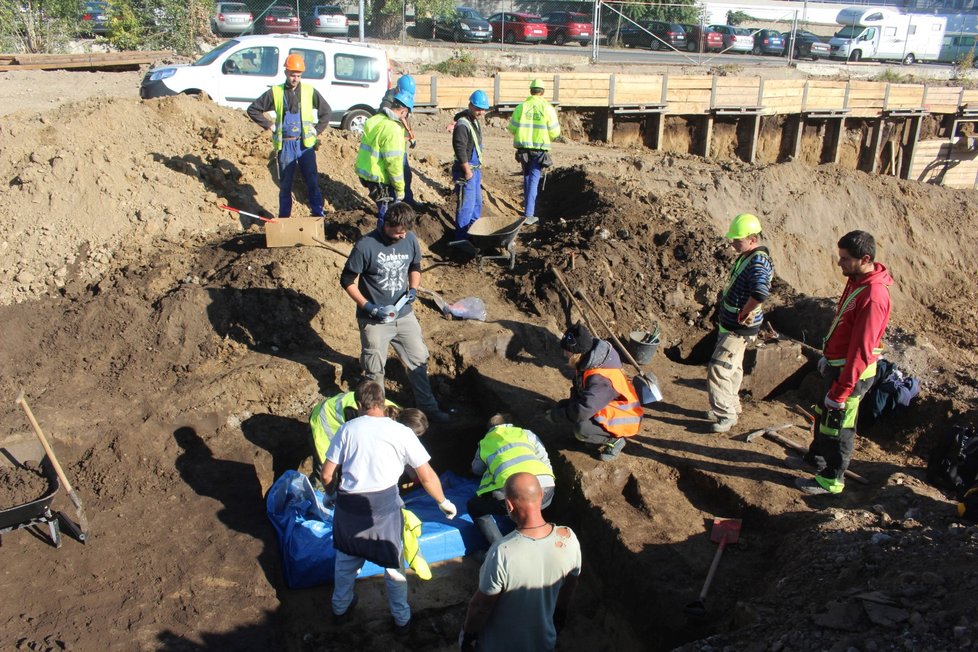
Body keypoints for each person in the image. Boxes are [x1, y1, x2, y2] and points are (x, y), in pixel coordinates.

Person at [321, 381, 457, 636]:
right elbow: (426, 475)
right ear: (383, 402)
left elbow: (327, 474)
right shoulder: (401, 433)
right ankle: (402, 620)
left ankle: (339, 611)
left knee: (346, 563)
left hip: (349, 509)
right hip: (384, 509)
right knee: (394, 568)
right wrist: (443, 502)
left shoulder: (348, 429)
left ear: (359, 404)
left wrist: (330, 496)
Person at [798, 230, 892, 496]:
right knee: (824, 416)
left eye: (845, 259)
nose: (839, 263)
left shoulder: (873, 296)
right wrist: (828, 359)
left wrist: (842, 389)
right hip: (838, 365)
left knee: (840, 426)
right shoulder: (857, 280)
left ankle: (832, 479)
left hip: (853, 373)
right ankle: (815, 461)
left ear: (865, 258)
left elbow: (862, 350)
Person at [339, 202, 452, 423]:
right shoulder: (366, 246)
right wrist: (368, 306)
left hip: (404, 314)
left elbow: (415, 266)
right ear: (387, 224)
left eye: (405, 232)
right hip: (374, 321)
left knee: (418, 360)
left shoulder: (409, 239)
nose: (402, 237)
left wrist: (413, 289)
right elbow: (347, 280)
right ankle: (376, 418)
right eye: (399, 232)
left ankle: (429, 409)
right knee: (375, 370)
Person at [459, 473, 581, 652]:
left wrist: (468, 638)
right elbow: (570, 586)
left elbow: (481, 606)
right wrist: (559, 615)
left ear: (508, 505)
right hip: (544, 643)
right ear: (541, 495)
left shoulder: (502, 552)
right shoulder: (569, 538)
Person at [705, 213, 775, 434]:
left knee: (719, 368)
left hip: (738, 328)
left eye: (737, 239)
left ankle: (725, 414)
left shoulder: (757, 262)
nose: (733, 243)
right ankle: (731, 405)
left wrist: (745, 311)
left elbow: (760, 291)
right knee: (733, 368)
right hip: (732, 326)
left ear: (753, 239)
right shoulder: (749, 255)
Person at [247, 53, 330, 219]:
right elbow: (253, 109)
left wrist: (317, 130)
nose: (295, 78)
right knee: (285, 185)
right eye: (293, 75)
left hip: (304, 145)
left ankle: (318, 214)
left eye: (298, 75)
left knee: (312, 181)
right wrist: (269, 125)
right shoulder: (276, 92)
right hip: (285, 146)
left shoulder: (308, 91)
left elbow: (326, 112)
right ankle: (284, 218)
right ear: (286, 73)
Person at [546, 322, 643, 461]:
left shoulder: (600, 379)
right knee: (563, 406)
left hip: (624, 418)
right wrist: (565, 409)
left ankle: (615, 440)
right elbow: (580, 390)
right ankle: (596, 435)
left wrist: (558, 416)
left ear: (577, 354)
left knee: (581, 429)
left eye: (567, 351)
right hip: (605, 408)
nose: (564, 354)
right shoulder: (589, 362)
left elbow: (583, 409)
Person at [468, 414, 555, 544]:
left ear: (489, 429)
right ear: (511, 424)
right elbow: (544, 457)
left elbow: (476, 469)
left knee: (475, 507)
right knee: (527, 510)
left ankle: (498, 547)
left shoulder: (486, 442)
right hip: (546, 492)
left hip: (512, 498)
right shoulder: (526, 433)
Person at [308, 389, 399, 487]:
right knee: (325, 474)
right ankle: (317, 495)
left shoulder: (393, 411)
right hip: (323, 421)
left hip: (339, 411)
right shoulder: (364, 418)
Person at [355, 86, 412, 227]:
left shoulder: (375, 119)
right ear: (404, 111)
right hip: (380, 178)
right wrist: (400, 189)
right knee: (387, 215)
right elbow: (393, 163)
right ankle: (382, 243)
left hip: (367, 174)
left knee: (385, 211)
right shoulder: (393, 129)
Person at [507, 79, 560, 226]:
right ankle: (529, 214)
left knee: (527, 177)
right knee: (534, 179)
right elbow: (555, 132)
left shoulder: (521, 107)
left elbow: (512, 128)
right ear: (542, 92)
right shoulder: (548, 108)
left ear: (531, 91)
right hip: (539, 150)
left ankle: (527, 209)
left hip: (523, 149)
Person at [379, 75, 423, 210]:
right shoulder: (388, 103)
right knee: (396, 176)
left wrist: (410, 135)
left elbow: (404, 119)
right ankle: (396, 206)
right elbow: (390, 122)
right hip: (391, 145)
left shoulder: (402, 98)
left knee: (406, 175)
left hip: (400, 144)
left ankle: (407, 201)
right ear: (398, 89)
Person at [451, 90, 488, 241]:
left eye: (483, 109)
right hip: (467, 171)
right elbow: (460, 149)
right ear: (470, 105)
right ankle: (461, 237)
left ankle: (473, 232)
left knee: (476, 203)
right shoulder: (462, 125)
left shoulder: (474, 121)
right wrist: (467, 171)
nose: (481, 112)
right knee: (466, 205)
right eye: (478, 108)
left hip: (475, 170)